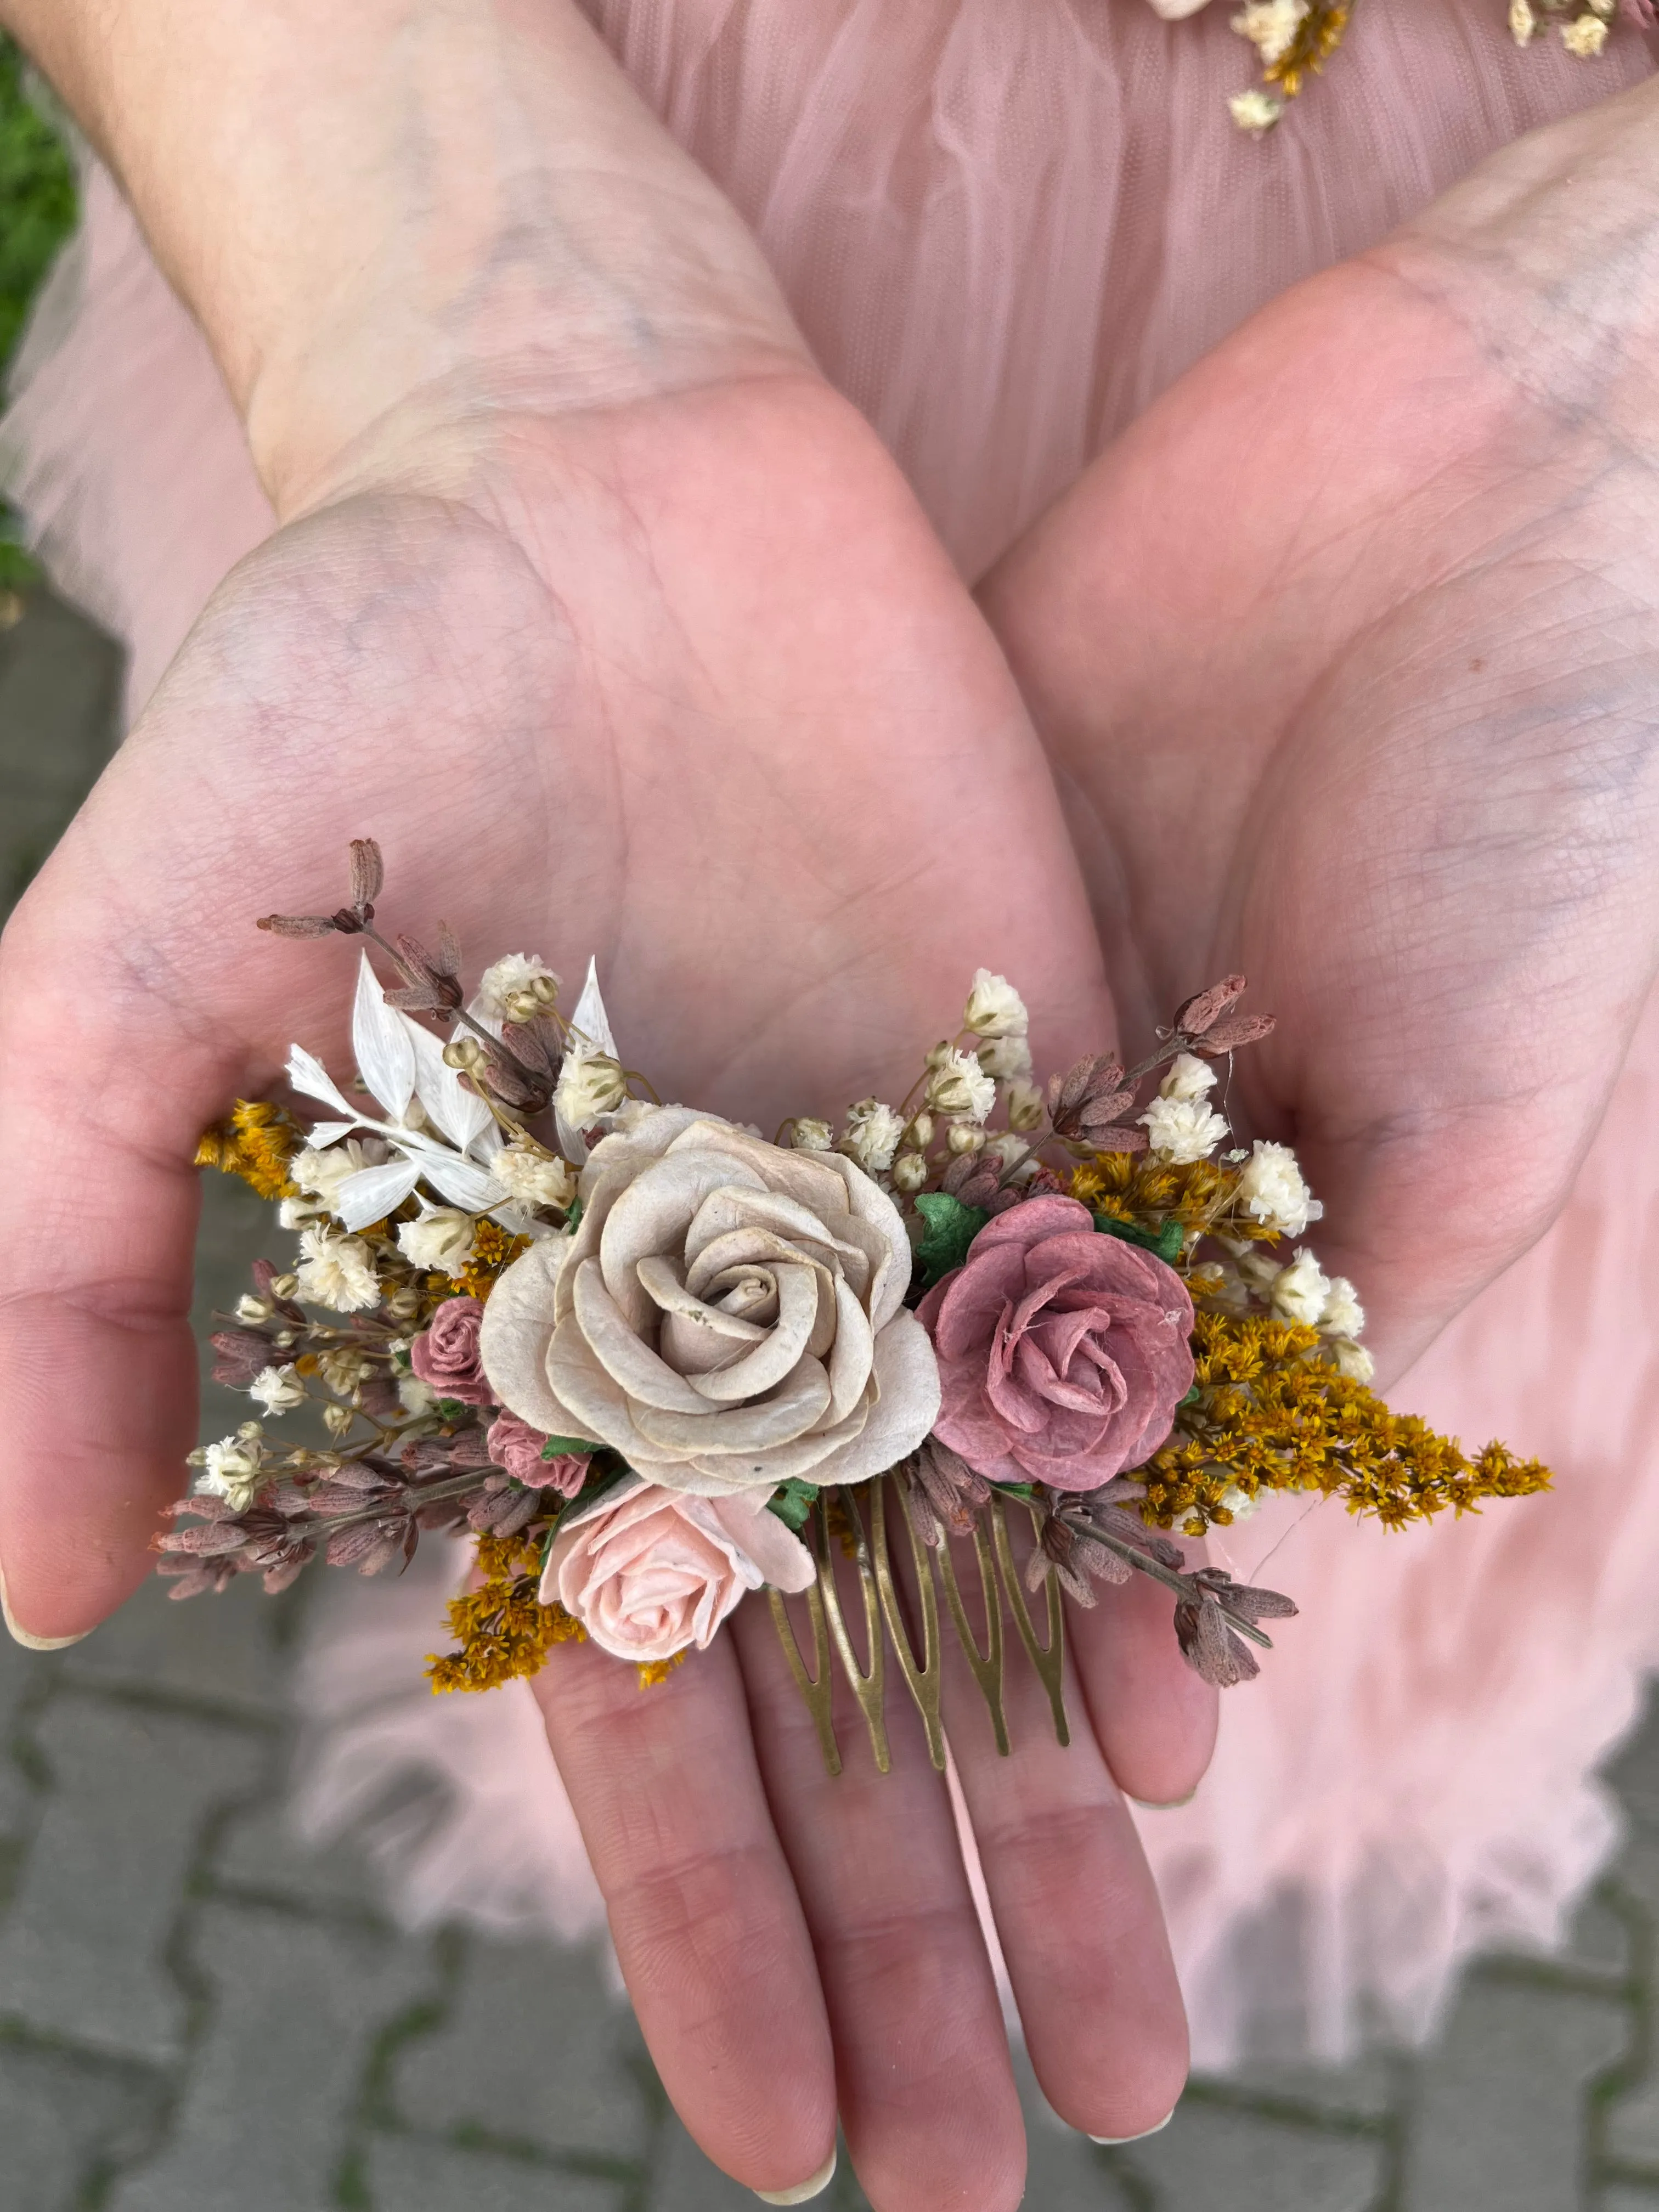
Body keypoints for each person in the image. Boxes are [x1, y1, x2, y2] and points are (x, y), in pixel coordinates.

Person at [0, 2, 1656, 2203]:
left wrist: (1617, 375)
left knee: (1373, 1295)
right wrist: (435, 278)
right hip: (541, 149)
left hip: (1527, 339)